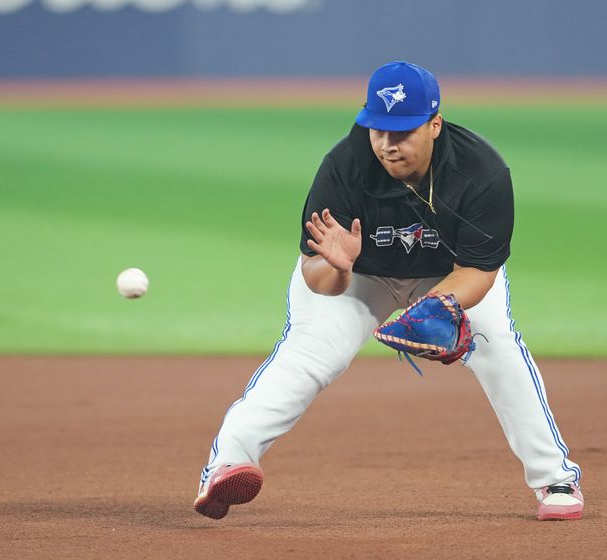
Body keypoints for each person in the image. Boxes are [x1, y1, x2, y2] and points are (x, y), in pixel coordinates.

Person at [194, 61, 584, 521]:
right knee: (307, 358)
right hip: (360, 277)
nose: (387, 143)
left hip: (446, 276)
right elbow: (317, 277)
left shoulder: (482, 173)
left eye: (402, 131)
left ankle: (554, 478)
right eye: (378, 129)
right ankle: (226, 463)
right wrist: (338, 267)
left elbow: (480, 271)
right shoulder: (345, 165)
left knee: (497, 345)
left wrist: (436, 308)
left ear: (435, 124)